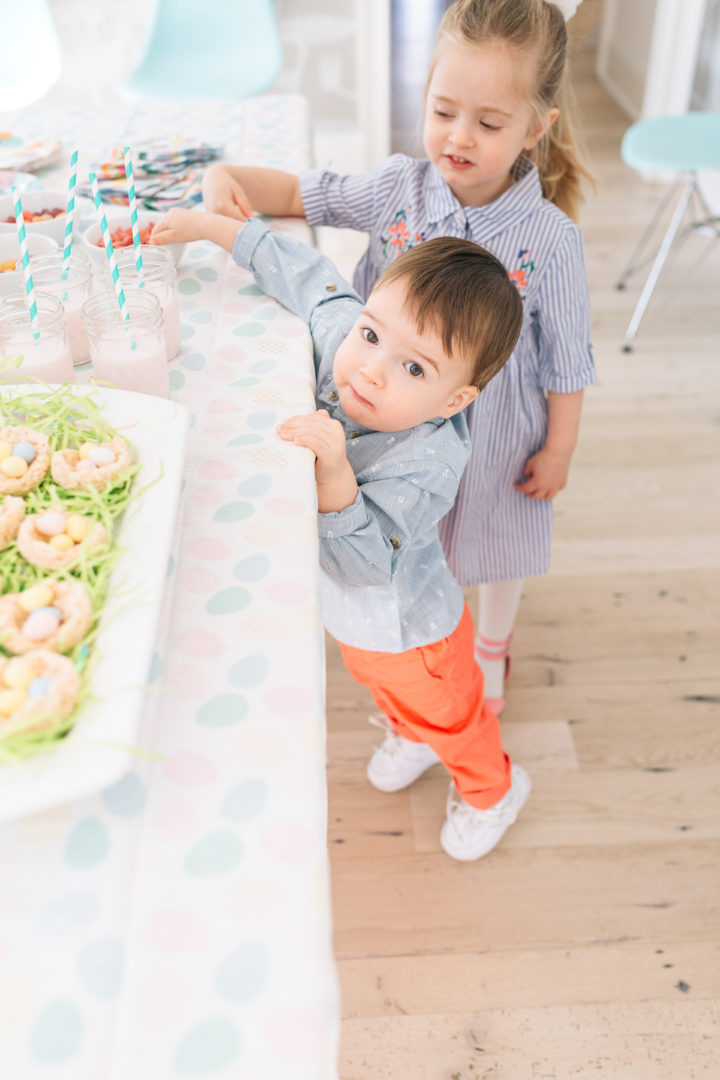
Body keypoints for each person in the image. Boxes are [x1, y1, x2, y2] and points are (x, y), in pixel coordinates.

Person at [200, 0, 596, 722]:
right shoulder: (398, 188)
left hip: (499, 438)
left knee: (495, 548)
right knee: (416, 543)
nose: (459, 137)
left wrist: (560, 446)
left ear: (538, 127)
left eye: (489, 122)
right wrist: (233, 181)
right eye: (444, 111)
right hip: (390, 432)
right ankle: (431, 639)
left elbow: (566, 361)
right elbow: (300, 195)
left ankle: (492, 646)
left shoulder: (552, 239)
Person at [152, 207, 526, 860]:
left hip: (412, 633)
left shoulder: (429, 459)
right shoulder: (355, 357)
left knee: (453, 719)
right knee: (375, 683)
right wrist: (215, 229)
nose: (371, 371)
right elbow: (314, 283)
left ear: (453, 401)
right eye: (371, 335)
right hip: (357, 627)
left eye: (415, 369)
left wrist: (333, 471)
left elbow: (363, 563)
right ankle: (410, 734)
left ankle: (493, 790)